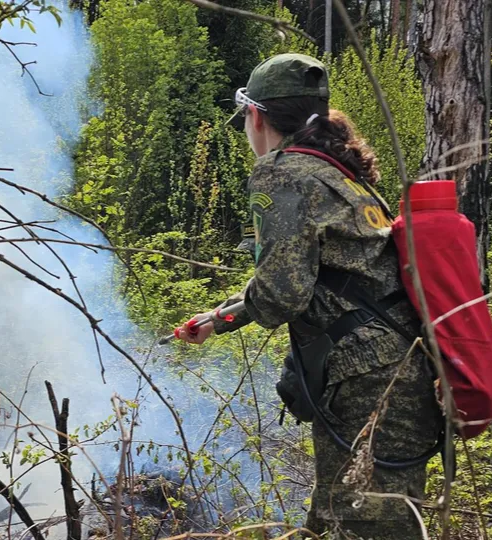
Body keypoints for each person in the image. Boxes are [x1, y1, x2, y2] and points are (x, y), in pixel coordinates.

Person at [175, 54, 441, 539]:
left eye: (246, 121)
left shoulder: (283, 173)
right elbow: (314, 279)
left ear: (256, 115)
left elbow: (281, 294)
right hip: (398, 366)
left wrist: (228, 316)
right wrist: (220, 317)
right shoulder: (339, 172)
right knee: (337, 517)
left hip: (368, 378)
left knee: (365, 524)